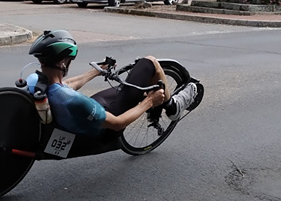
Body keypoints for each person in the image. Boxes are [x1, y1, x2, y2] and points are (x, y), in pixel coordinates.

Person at [26, 30, 198, 138]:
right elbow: (117, 124)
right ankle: (172, 108)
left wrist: (97, 70)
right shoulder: (74, 101)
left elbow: (67, 85)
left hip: (83, 115)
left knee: (124, 89)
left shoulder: (37, 82)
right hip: (103, 123)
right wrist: (149, 102)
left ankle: (152, 99)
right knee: (149, 62)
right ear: (63, 62)